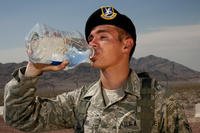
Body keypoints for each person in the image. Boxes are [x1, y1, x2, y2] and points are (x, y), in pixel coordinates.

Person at [4, 6, 192, 133]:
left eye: (102, 37)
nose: (91, 43)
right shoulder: (80, 100)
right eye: (90, 38)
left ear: (126, 46)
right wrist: (32, 70)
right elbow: (19, 117)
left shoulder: (160, 100)